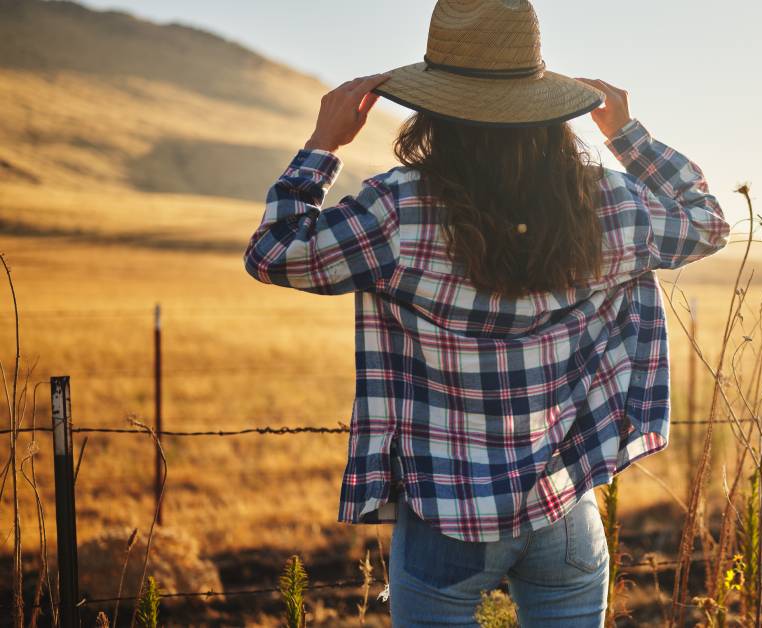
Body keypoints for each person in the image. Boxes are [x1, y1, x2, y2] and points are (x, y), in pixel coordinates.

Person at [243, 1, 728, 625]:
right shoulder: (609, 202)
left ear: (435, 110)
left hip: (448, 515)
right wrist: (625, 136)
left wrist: (323, 145)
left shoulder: (398, 210)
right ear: (545, 106)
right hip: (565, 501)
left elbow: (274, 252)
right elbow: (707, 221)